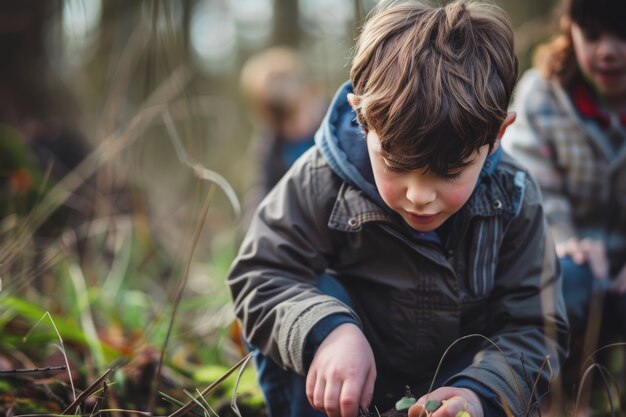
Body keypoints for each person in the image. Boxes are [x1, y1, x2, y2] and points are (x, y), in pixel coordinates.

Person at [228, 1, 569, 417]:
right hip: (345, 384)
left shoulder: (514, 199)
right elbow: (259, 275)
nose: (419, 195)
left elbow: (535, 327)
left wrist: (480, 395)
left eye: (449, 172)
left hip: (452, 390)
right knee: (310, 299)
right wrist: (328, 332)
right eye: (398, 166)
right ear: (361, 117)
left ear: (497, 135)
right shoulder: (321, 179)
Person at [501, 0, 626, 382]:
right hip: (574, 252)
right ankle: (558, 386)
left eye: (622, 35)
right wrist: (565, 238)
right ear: (569, 31)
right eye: (591, 36)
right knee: (559, 281)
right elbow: (532, 183)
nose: (607, 50)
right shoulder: (541, 95)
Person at [239, 47, 327, 217]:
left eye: (296, 115)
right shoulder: (270, 143)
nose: (292, 127)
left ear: (309, 93)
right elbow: (259, 191)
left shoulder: (339, 121)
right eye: (281, 121)